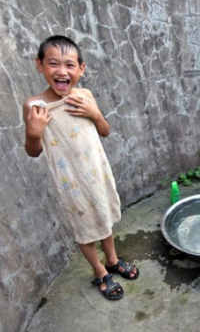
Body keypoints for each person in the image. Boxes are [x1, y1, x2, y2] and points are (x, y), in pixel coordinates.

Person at [23, 35, 139, 301]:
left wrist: (94, 113)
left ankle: (111, 259)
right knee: (84, 228)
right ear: (40, 65)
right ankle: (99, 271)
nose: (62, 71)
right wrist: (33, 132)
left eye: (70, 65)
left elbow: (105, 131)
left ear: (81, 69)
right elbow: (34, 151)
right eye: (53, 64)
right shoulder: (34, 107)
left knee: (104, 216)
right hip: (70, 183)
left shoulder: (85, 95)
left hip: (97, 173)